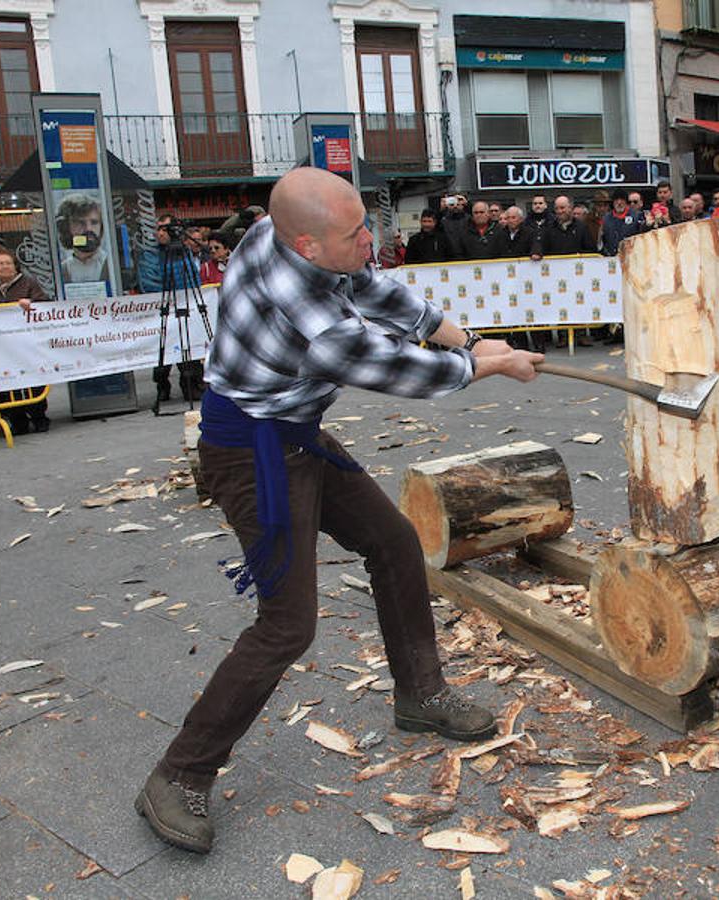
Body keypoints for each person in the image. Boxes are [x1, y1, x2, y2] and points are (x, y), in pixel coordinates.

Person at [132, 167, 542, 855]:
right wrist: (491, 366)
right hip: (253, 450)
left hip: (296, 430)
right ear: (306, 244)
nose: (369, 241)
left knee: (394, 541)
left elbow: (376, 289)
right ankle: (179, 773)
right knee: (287, 625)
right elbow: (397, 367)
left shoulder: (286, 236)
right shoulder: (316, 321)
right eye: (355, 234)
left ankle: (420, 694)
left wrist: (470, 341)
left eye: (364, 226)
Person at [0, 249, 50, 434]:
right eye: (0, 264)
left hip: (26, 342)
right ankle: (18, 419)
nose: (5, 267)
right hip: (0, 345)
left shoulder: (29, 283)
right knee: (9, 382)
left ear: (15, 266)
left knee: (33, 380)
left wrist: (31, 303)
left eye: (8, 263)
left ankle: (39, 416)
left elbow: (44, 304)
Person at [141, 216, 205, 401]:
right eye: (158, 229)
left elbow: (193, 280)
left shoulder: (183, 252)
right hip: (161, 310)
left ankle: (191, 384)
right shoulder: (149, 255)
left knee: (188, 349)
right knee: (163, 354)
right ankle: (162, 384)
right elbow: (149, 283)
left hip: (184, 306)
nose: (161, 233)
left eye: (165, 229)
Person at [55, 194, 110, 286]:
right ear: (66, 227)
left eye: (94, 222)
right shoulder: (60, 271)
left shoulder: (113, 266)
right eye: (80, 223)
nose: (88, 228)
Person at [599, 189, 643, 256]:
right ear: (613, 202)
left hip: (632, 256)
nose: (619, 202)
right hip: (611, 258)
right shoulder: (606, 218)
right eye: (616, 200)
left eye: (622, 200)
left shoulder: (637, 216)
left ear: (626, 202)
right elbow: (602, 240)